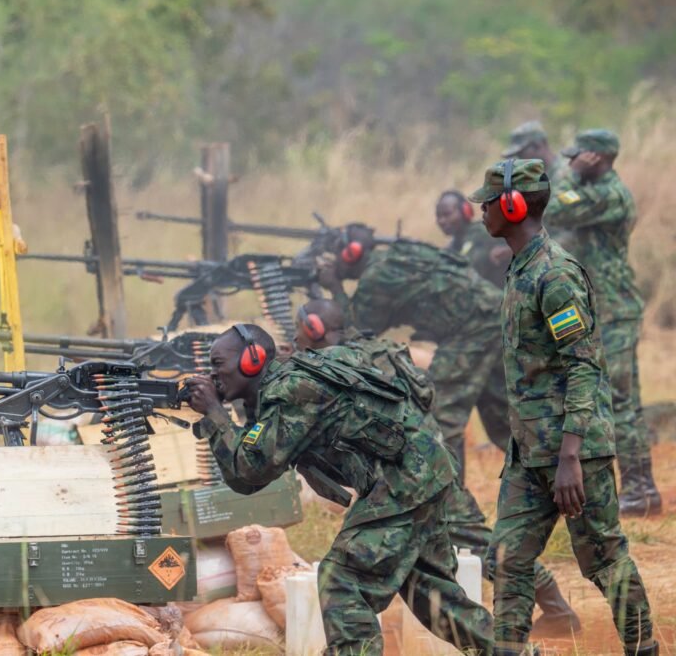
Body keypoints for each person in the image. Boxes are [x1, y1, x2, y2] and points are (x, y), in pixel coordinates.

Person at [184, 323, 494, 656]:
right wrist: (217, 416)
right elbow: (246, 480)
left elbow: (253, 467)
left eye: (218, 364)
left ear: (253, 359)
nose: (212, 375)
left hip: (404, 480)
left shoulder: (292, 389)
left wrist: (215, 413)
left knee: (343, 581)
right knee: (434, 596)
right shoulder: (275, 394)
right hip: (418, 474)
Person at [294, 299, 582, 637]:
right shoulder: (379, 350)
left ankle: (555, 609)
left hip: (412, 475)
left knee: (473, 542)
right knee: (459, 543)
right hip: (427, 463)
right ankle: (552, 609)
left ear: (313, 328)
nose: (296, 339)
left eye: (299, 331)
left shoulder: (339, 363)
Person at [470, 158, 656, 656]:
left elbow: (584, 365)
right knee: (506, 558)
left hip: (574, 451)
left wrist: (571, 455)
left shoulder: (554, 275)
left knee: (604, 558)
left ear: (513, 206)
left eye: (488, 203)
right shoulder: (521, 269)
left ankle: (644, 648)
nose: (482, 211)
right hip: (530, 451)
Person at [315, 225, 511, 479]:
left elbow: (355, 332)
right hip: (496, 316)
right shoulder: (400, 256)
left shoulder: (377, 278)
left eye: (336, 256)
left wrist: (334, 287)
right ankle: (550, 475)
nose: (334, 264)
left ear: (351, 253)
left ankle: (452, 498)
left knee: (441, 418)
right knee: (502, 420)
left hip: (473, 331)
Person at [544, 129, 661, 517]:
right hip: (605, 309)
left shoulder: (608, 194)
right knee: (622, 402)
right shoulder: (597, 194)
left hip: (614, 311)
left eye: (578, 157)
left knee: (618, 402)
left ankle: (640, 489)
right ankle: (642, 489)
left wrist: (571, 175)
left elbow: (554, 209)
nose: (572, 162)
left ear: (596, 157)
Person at [436, 189, 510, 288]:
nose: (442, 221)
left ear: (465, 211)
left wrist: (508, 251)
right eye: (438, 216)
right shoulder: (450, 250)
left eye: (447, 214)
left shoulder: (488, 231)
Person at [502, 120, 567, 184]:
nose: (519, 159)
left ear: (538, 145)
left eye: (521, 153)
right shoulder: (533, 179)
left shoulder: (567, 172)